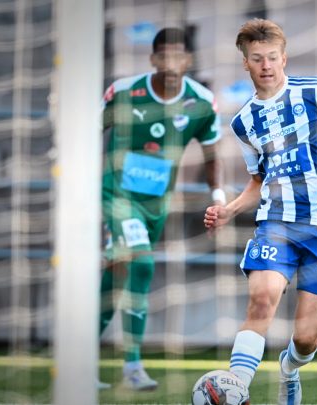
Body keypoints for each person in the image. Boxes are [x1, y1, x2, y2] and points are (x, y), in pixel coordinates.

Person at [203, 18, 317, 405]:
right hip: (276, 223)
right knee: (262, 298)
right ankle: (236, 385)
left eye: (272, 57)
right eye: (257, 59)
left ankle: (290, 369)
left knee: (306, 337)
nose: (266, 65)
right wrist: (230, 209)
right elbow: (258, 180)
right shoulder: (243, 122)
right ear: (246, 64)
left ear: (284, 57)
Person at [98, 27, 224, 391]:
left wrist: (217, 194)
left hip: (155, 203)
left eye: (178, 56)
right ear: (153, 59)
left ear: (188, 60)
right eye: (163, 56)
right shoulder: (124, 92)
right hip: (117, 195)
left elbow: (212, 152)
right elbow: (88, 129)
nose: (171, 63)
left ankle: (81, 356)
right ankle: (133, 366)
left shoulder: (201, 102)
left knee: (118, 276)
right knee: (142, 263)